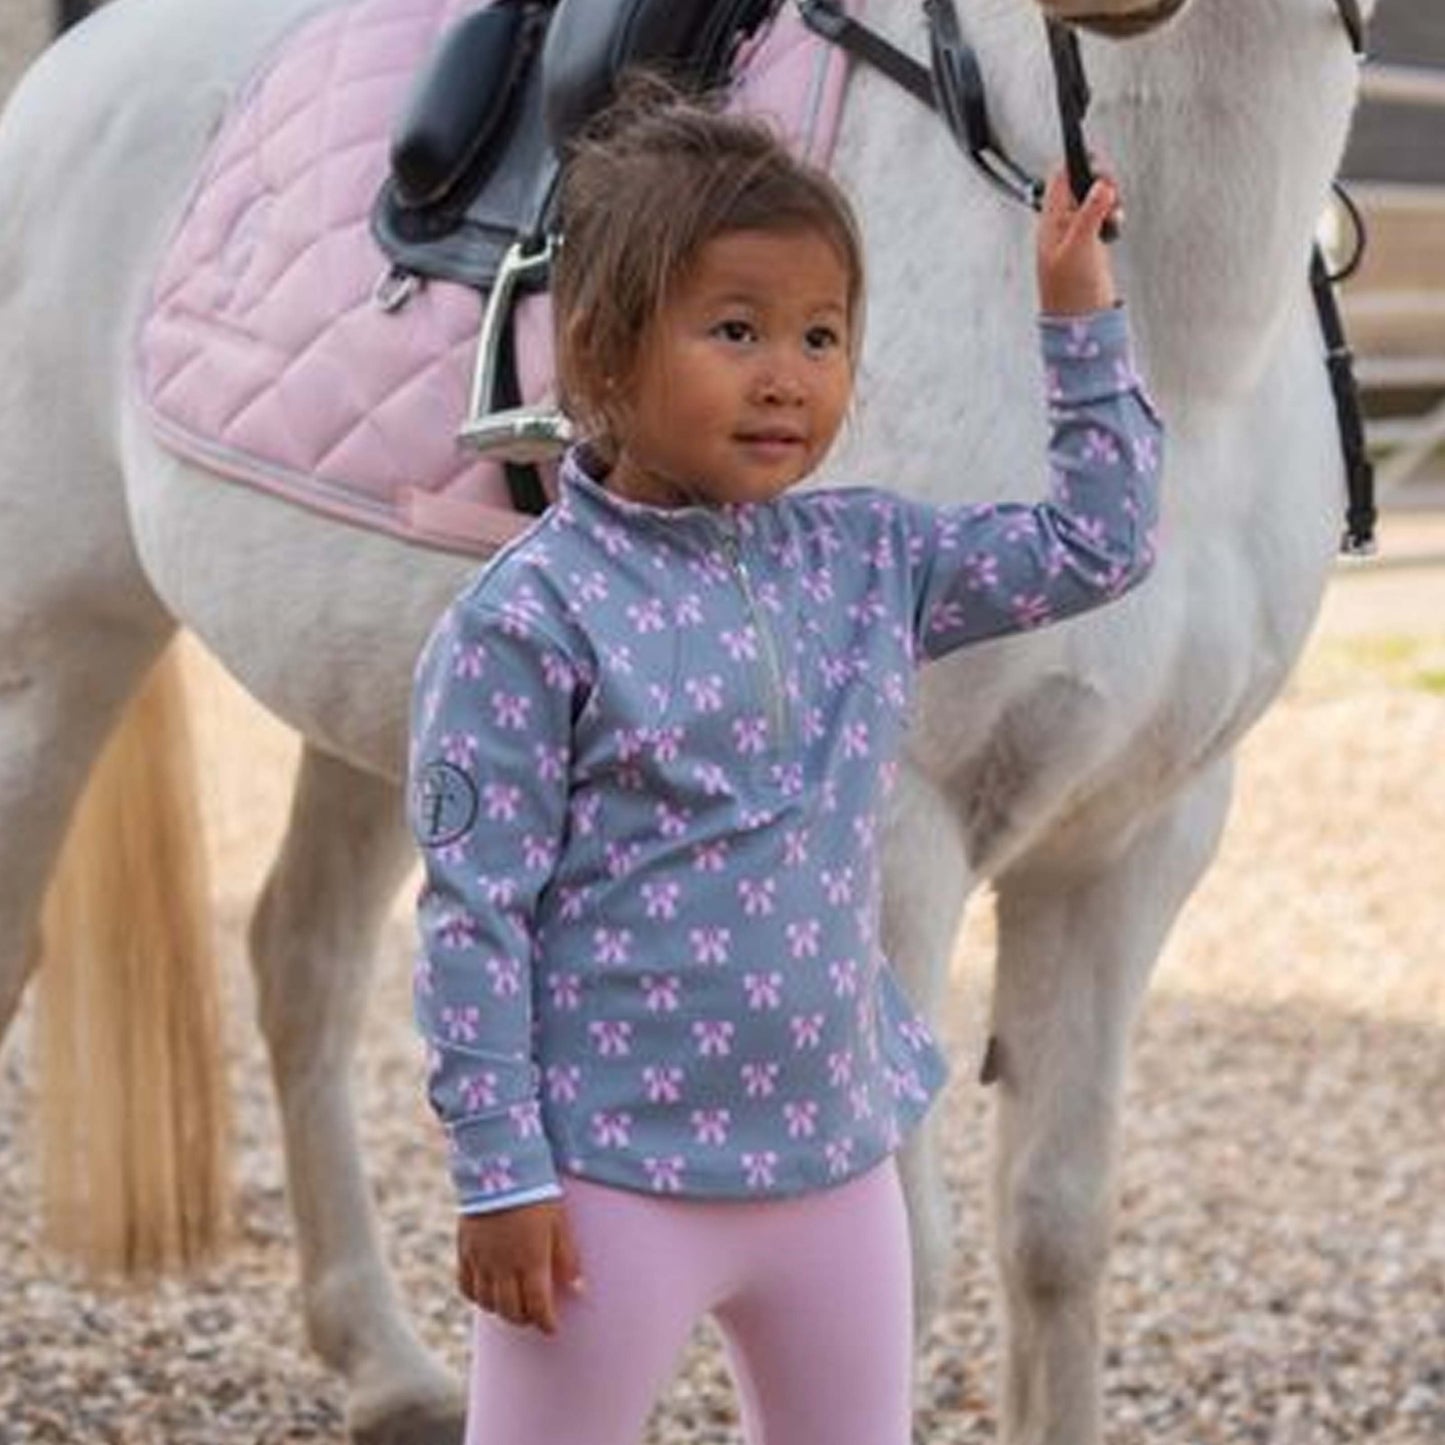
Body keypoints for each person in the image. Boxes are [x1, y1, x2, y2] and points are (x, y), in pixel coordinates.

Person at [408, 78, 1160, 1445]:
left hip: (837, 1166)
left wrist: (1077, 319)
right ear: (602, 346)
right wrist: (499, 1172)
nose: (787, 375)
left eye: (821, 335)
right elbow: (475, 916)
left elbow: (1095, 546)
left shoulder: (868, 559)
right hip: (608, 1184)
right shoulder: (528, 621)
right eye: (736, 328)